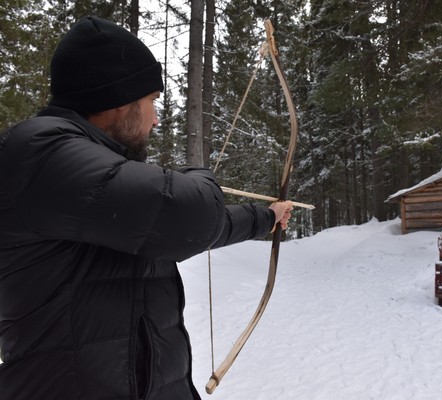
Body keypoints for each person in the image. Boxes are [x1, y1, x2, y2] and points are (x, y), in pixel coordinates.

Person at [0, 16, 293, 400]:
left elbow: (191, 226)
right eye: (151, 101)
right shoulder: (39, 152)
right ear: (120, 101)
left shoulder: (89, 177)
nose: (155, 118)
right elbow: (189, 216)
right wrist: (199, 176)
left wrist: (266, 218)